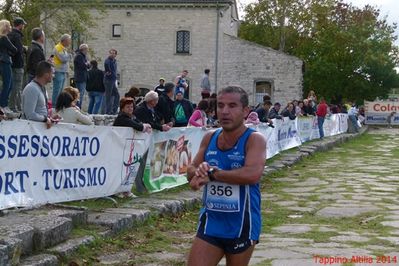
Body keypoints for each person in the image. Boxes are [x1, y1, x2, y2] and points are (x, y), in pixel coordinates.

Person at [186, 85, 266, 266]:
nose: (224, 111)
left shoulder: (254, 139)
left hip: (241, 224)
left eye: (232, 106)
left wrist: (213, 174)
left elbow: (252, 174)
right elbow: (190, 171)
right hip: (211, 222)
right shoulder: (210, 137)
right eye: (220, 106)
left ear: (245, 111)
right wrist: (200, 172)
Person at [22, 61, 60, 129]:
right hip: (30, 132)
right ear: (46, 74)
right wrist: (45, 119)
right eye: (52, 73)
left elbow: (40, 110)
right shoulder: (32, 88)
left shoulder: (42, 88)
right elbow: (30, 115)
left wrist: (50, 118)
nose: (53, 76)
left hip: (39, 131)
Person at [8, 17, 27, 113]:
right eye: (23, 24)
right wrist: (24, 49)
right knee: (17, 87)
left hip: (10, 64)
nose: (24, 26)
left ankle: (17, 107)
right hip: (18, 65)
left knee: (13, 86)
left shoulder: (9, 34)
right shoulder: (17, 35)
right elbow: (18, 50)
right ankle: (13, 107)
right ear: (20, 25)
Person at [0, 19, 17, 113]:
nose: (10, 27)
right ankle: (3, 105)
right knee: (8, 85)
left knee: (7, 84)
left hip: (2, 61)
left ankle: (2, 104)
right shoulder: (4, 38)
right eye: (9, 25)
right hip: (5, 62)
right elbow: (14, 49)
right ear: (6, 27)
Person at [52, 34, 71, 105]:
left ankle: (58, 106)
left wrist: (67, 71)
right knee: (57, 91)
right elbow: (63, 59)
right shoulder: (59, 48)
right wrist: (70, 55)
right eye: (69, 41)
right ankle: (54, 106)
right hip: (58, 72)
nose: (70, 43)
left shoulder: (63, 48)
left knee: (60, 91)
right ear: (65, 41)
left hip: (62, 72)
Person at [73, 43, 90, 108]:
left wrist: (87, 64)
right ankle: (78, 108)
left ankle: (78, 108)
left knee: (81, 94)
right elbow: (83, 65)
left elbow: (88, 66)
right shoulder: (79, 56)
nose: (87, 51)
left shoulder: (83, 56)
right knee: (80, 94)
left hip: (83, 78)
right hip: (80, 78)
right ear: (83, 49)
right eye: (87, 49)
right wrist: (87, 64)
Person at [104, 48, 119, 114]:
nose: (112, 54)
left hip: (113, 80)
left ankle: (114, 110)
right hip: (108, 80)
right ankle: (108, 111)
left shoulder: (114, 61)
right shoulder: (108, 61)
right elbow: (107, 67)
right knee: (108, 96)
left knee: (116, 95)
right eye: (111, 53)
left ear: (115, 55)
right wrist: (108, 72)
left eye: (113, 53)